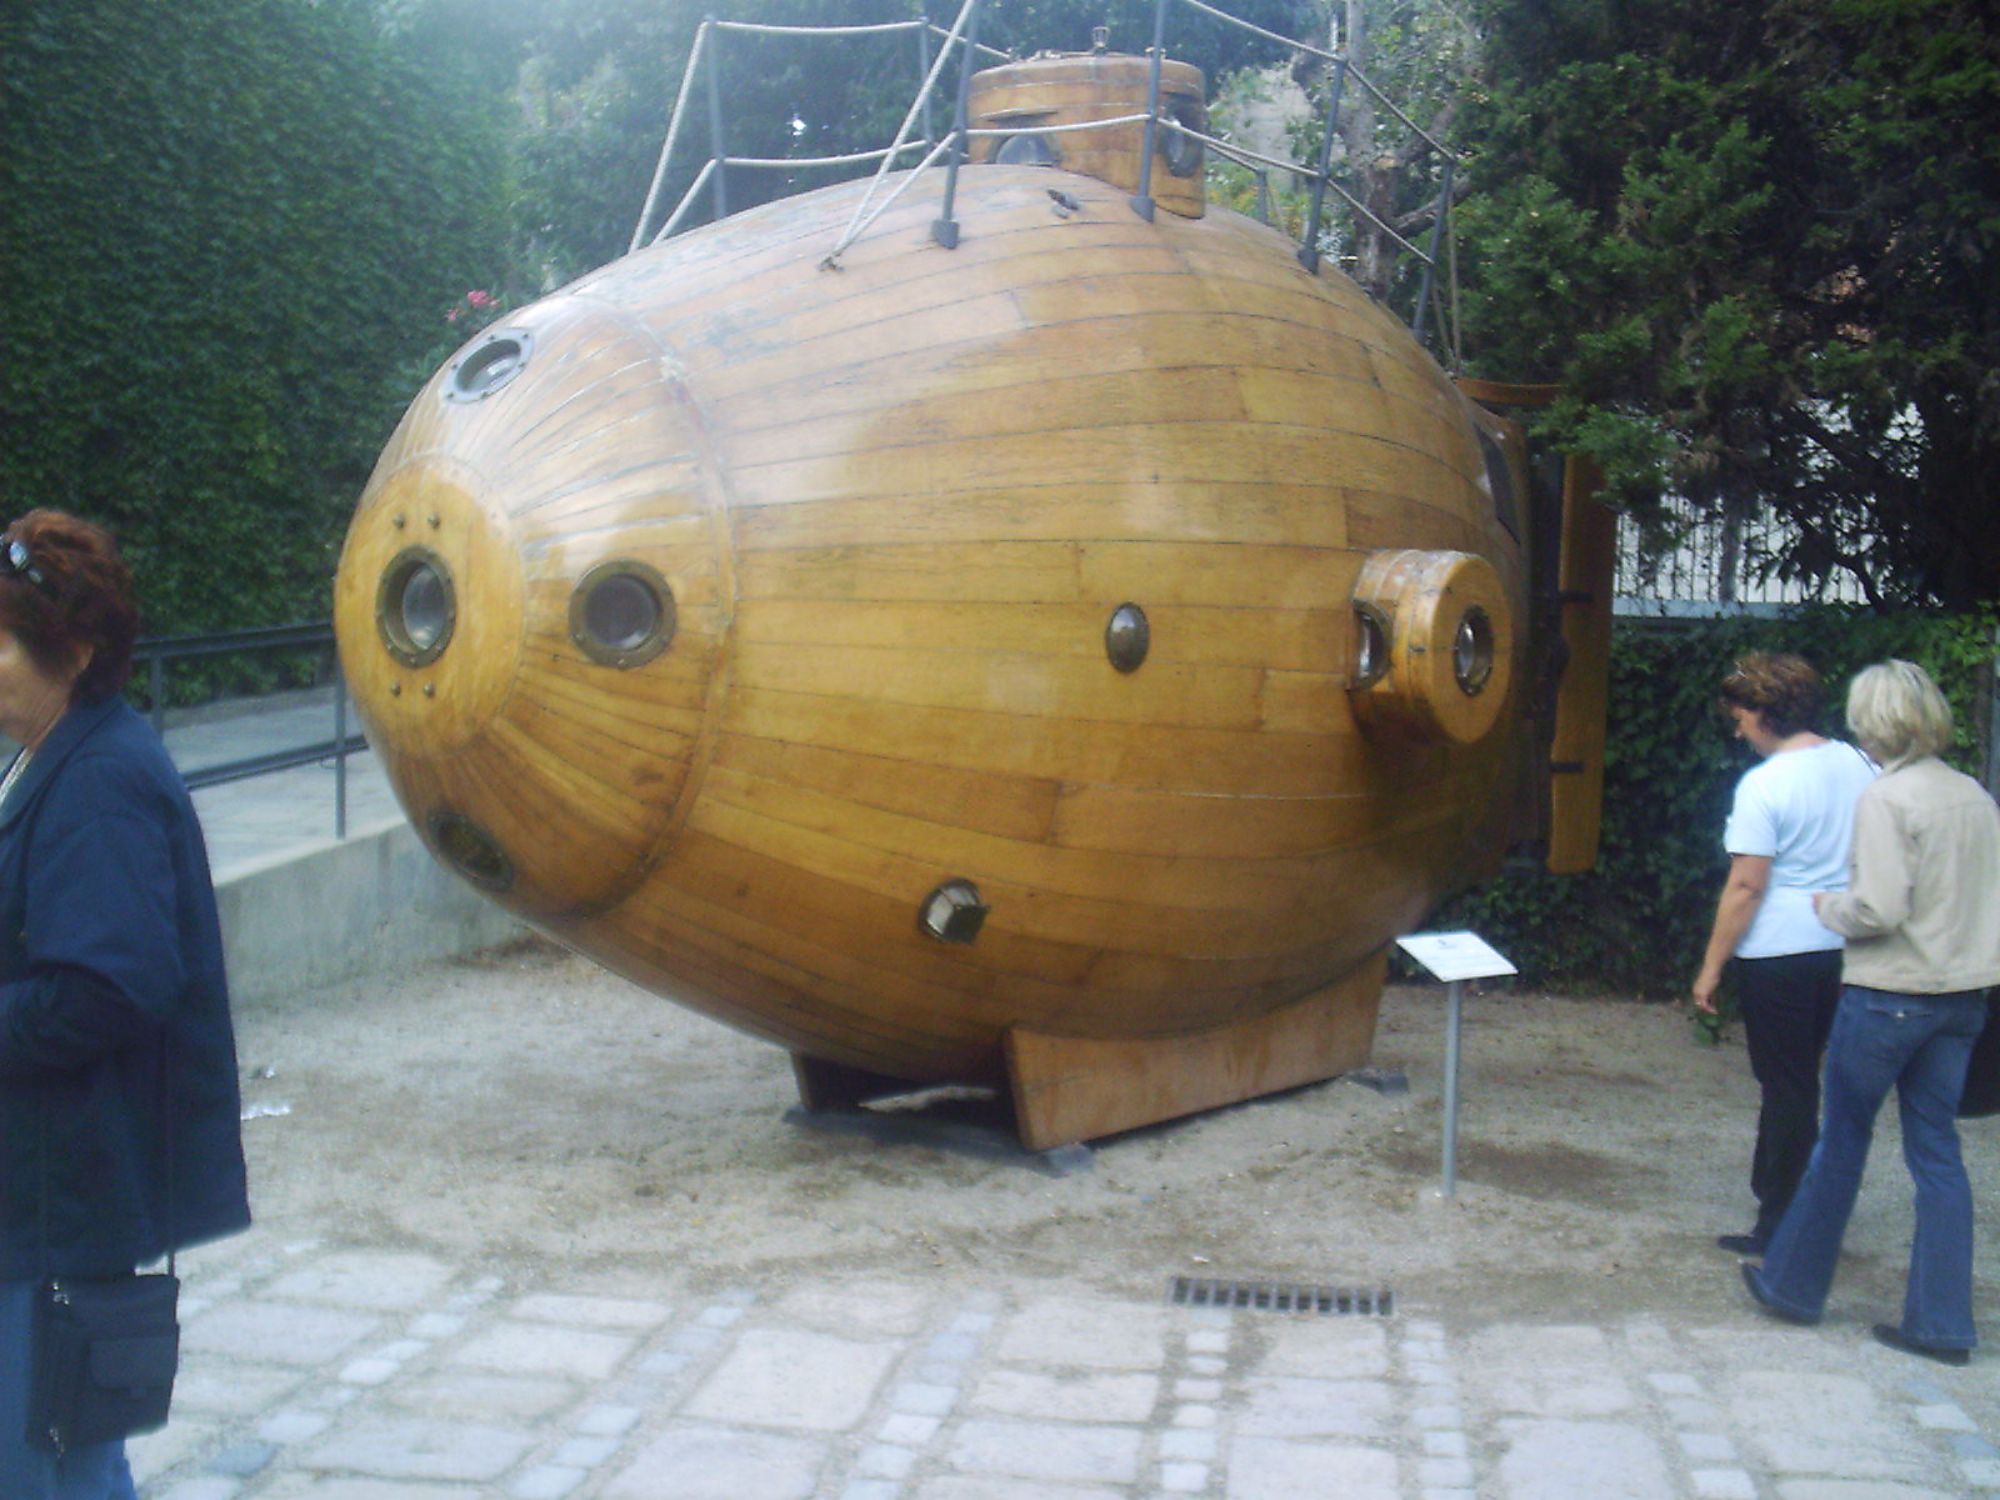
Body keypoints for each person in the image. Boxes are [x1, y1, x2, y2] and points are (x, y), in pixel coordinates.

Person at [0, 510, 251, 1496]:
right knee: (66, 1457)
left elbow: (108, 988)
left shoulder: (100, 778)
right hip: (41, 1192)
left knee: (42, 1460)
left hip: (58, 1201)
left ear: (73, 650)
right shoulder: (54, 753)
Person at [1742, 660, 2000, 1363]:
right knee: (1938, 1155)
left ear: (1873, 721)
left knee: (1842, 1143)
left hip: (1891, 996)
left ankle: (1794, 1286)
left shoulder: (1888, 799)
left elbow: (1877, 909)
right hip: (1961, 1000)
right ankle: (1942, 1323)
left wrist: (1829, 906)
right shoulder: (1974, 795)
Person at [1693, 653, 1876, 1254]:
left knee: (1787, 1085)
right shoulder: (1859, 763)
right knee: (1807, 1079)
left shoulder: (1765, 784)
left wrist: (1711, 966)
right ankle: (1783, 1195)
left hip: (1780, 951)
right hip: (1847, 943)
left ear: (1766, 712)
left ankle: (1783, 1223)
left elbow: (1747, 886)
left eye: (1742, 717)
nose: (1739, 730)